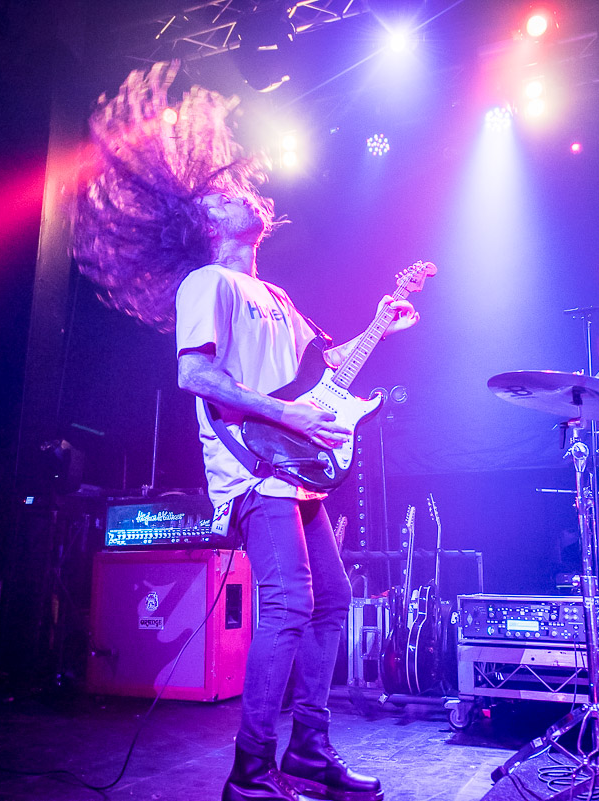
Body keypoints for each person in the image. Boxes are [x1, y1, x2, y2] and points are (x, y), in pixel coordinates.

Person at [74, 62, 417, 801]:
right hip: (255, 472)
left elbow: (328, 372)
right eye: (223, 194)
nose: (240, 191)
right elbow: (195, 376)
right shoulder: (208, 284)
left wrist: (380, 322)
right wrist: (286, 416)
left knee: (331, 601)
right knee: (290, 603)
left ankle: (310, 750)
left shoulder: (277, 295)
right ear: (206, 225)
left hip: (297, 470)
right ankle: (250, 771)